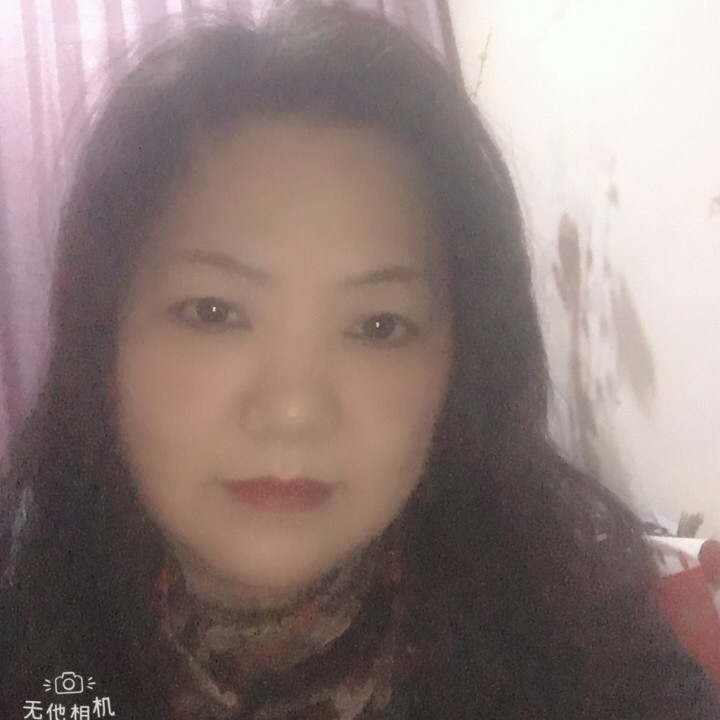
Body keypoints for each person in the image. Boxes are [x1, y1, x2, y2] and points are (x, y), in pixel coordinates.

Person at [0, 2, 717, 718]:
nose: (293, 409)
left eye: (379, 325)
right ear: (104, 338)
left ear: (460, 364)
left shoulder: (591, 660)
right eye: (214, 312)